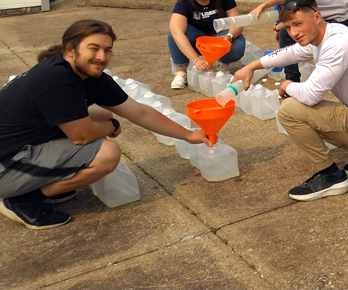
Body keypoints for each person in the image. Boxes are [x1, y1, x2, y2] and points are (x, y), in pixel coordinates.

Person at [0, 20, 209, 229]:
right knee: (106, 153)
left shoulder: (88, 75)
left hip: (21, 148)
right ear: (70, 49)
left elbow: (139, 112)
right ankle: (22, 199)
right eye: (94, 48)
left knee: (100, 113)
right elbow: (81, 136)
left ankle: (40, 184)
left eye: (107, 50)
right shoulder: (57, 78)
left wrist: (189, 135)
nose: (102, 57)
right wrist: (112, 126)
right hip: (5, 166)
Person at [232, 0, 348, 202]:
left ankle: (331, 176)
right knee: (301, 103)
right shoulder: (329, 32)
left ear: (317, 17)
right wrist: (252, 66)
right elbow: (291, 53)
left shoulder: (338, 45)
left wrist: (287, 84)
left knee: (290, 111)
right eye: (288, 27)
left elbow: (310, 96)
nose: (293, 32)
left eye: (298, 24)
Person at [168, 0, 246, 89]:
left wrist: (229, 36)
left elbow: (237, 22)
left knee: (238, 45)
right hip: (197, 39)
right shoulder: (184, 2)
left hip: (219, 37)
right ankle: (181, 71)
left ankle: (220, 62)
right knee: (173, 33)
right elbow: (176, 32)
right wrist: (196, 59)